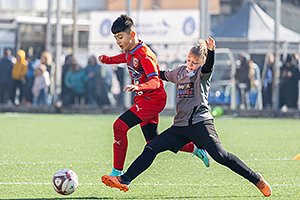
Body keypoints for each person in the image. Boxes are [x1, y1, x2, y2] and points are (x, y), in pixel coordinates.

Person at [101, 37, 272, 197]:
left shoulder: (202, 75)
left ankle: (256, 179)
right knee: (151, 147)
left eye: (195, 63)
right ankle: (124, 179)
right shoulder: (180, 72)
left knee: (221, 156)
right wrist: (144, 71)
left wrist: (211, 51)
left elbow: (208, 67)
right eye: (188, 60)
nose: (190, 65)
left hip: (201, 124)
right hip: (180, 127)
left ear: (202, 63)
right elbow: (159, 74)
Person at [98, 14, 209, 177]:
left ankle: (117, 172)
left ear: (132, 35)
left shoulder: (145, 55)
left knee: (119, 126)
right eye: (116, 38)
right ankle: (194, 148)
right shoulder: (130, 51)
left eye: (120, 37)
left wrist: (139, 86)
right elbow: (125, 57)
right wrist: (108, 60)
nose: (118, 42)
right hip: (144, 99)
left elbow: (156, 82)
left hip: (153, 100)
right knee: (153, 141)